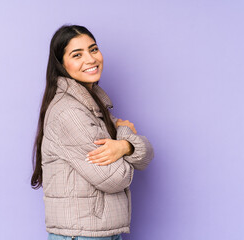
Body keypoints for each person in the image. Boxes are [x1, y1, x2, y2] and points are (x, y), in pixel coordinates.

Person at [31, 24, 154, 240]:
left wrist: (124, 146)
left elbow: (147, 155)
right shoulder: (69, 112)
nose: (90, 59)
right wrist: (125, 132)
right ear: (61, 64)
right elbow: (115, 177)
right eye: (77, 55)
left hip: (101, 232)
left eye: (93, 49)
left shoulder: (92, 105)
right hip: (81, 235)